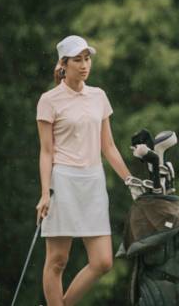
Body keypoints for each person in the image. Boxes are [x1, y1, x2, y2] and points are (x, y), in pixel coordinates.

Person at [35, 35, 132, 306]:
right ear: (63, 64)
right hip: (62, 181)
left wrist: (130, 180)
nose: (84, 65)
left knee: (102, 261)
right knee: (57, 261)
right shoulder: (49, 100)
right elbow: (46, 152)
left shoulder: (99, 96)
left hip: (93, 181)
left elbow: (109, 147)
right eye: (77, 60)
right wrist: (45, 193)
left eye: (87, 58)